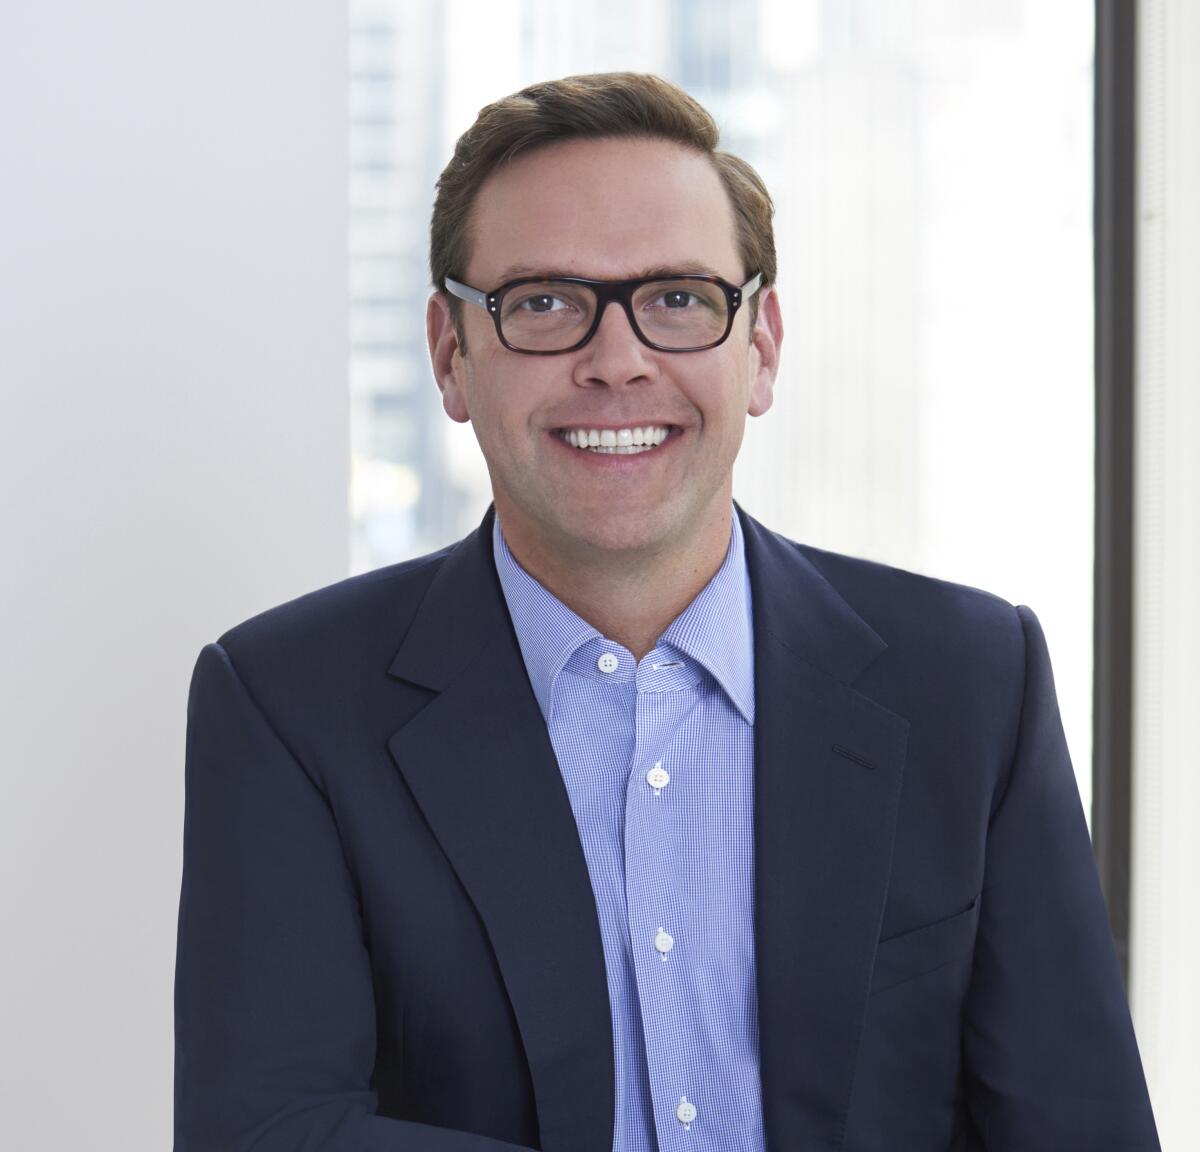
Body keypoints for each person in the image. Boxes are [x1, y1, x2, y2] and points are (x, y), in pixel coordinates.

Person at [173, 72, 1161, 1151]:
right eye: (543, 302)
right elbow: (265, 1130)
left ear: (763, 347)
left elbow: (1083, 1127)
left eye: (679, 300)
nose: (617, 361)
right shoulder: (285, 703)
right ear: (453, 356)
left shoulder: (975, 682)